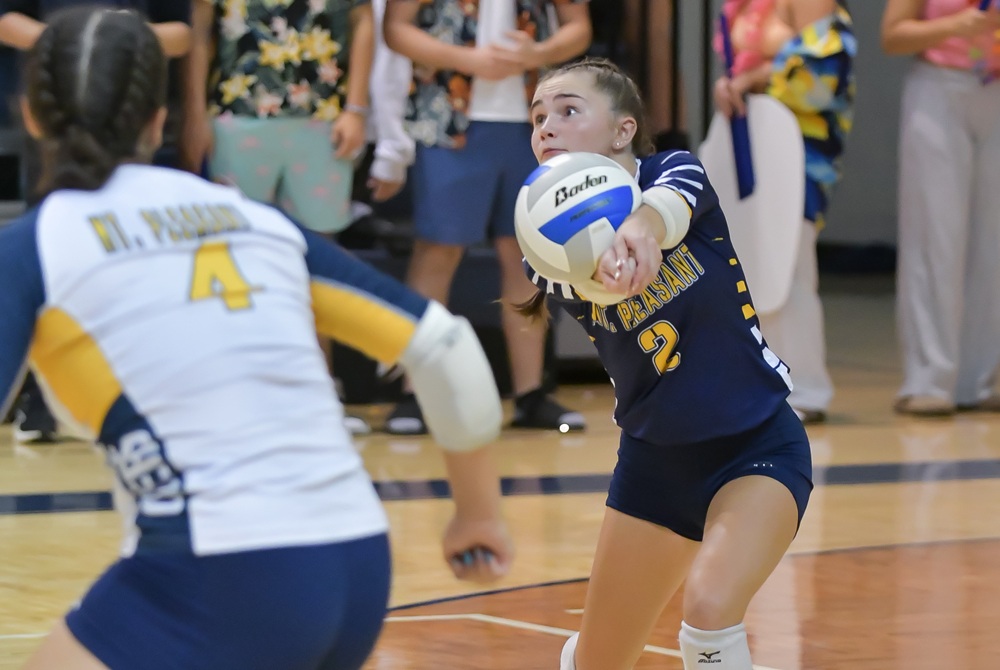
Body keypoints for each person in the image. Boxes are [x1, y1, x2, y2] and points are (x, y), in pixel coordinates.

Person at [0, 8, 513, 669]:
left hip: (219, 571)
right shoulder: (255, 219)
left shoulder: (34, 247)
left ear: (31, 115)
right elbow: (448, 349)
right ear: (157, 119)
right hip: (356, 560)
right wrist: (477, 515)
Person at [517, 58, 812, 670]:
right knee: (599, 661)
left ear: (622, 130)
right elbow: (586, 280)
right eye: (538, 118)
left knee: (708, 611)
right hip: (654, 467)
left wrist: (641, 230)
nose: (547, 126)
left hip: (757, 446)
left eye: (568, 110)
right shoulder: (543, 242)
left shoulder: (675, 171)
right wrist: (608, 267)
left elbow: (666, 209)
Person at [381, 0, 591, 435]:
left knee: (526, 254)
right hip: (447, 118)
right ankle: (415, 392)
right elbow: (396, 28)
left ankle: (531, 392)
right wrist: (466, 59)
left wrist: (539, 53)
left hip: (533, 122)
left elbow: (578, 26)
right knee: (438, 250)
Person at [0, 0, 192, 444]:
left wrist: (113, 43)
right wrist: (74, 42)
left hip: (128, 118)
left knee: (136, 271)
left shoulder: (222, 219)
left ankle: (144, 394)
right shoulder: (24, 248)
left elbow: (182, 34)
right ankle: (38, 399)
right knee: (52, 274)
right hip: (61, 119)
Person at [712, 0, 856, 424]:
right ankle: (755, 383)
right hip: (747, 133)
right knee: (746, 262)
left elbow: (823, 72)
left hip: (799, 142)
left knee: (789, 266)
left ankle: (804, 387)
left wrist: (754, 78)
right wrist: (731, 85)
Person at [882, 0, 1000, 416]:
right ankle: (929, 379)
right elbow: (892, 36)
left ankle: (979, 380)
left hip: (994, 88)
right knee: (935, 238)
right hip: (939, 86)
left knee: (993, 246)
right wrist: (954, 25)